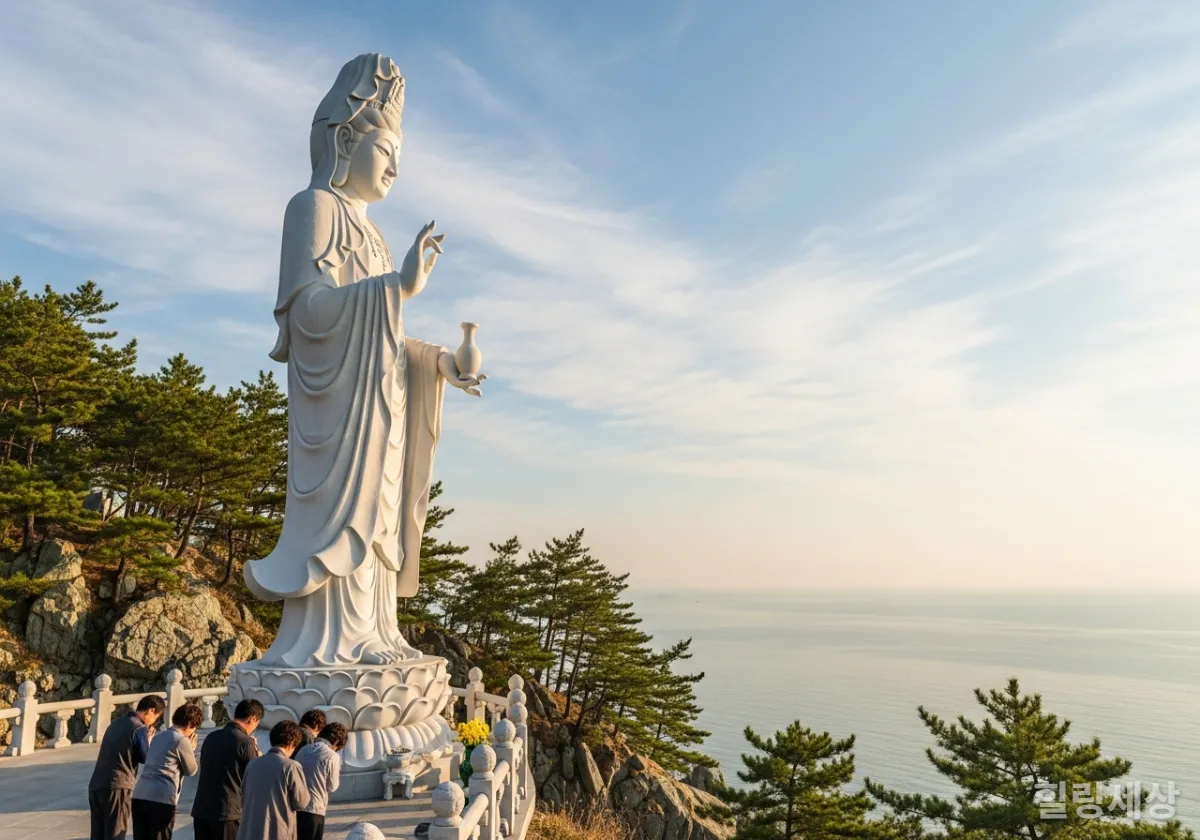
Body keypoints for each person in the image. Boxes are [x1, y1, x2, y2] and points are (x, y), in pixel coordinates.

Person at [89, 694, 166, 840]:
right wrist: (148, 739)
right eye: (156, 717)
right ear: (151, 710)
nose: (153, 721)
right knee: (115, 833)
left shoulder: (115, 723)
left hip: (96, 785)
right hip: (118, 786)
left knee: (98, 834)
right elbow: (146, 758)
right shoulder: (139, 728)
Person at [191, 699, 264, 840]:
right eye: (256, 722)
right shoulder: (246, 742)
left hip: (202, 809)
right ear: (252, 718)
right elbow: (253, 778)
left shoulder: (211, 737)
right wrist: (259, 755)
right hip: (227, 812)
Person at [131, 703, 203, 840]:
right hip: (161, 798)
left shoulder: (158, 736)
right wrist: (191, 749)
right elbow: (191, 770)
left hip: (140, 794)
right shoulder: (181, 740)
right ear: (189, 724)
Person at [237, 720, 311, 840]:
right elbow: (301, 802)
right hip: (277, 830)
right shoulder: (290, 766)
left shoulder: (253, 764)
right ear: (293, 743)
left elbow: (243, 796)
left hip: (250, 830)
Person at [295, 723, 347, 840]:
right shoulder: (331, 755)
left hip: (297, 806)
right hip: (315, 808)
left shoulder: (303, 749)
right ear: (336, 742)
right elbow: (332, 786)